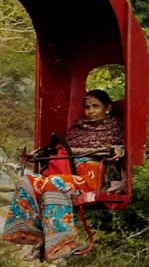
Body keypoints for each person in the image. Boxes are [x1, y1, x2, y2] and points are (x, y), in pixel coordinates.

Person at [2, 89, 124, 261]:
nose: (91, 111)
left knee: (54, 183)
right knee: (27, 181)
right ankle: (40, 237)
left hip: (89, 177)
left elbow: (119, 151)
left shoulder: (113, 128)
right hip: (65, 175)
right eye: (88, 107)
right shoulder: (78, 128)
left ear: (108, 108)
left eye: (96, 106)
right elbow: (63, 149)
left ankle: (62, 242)